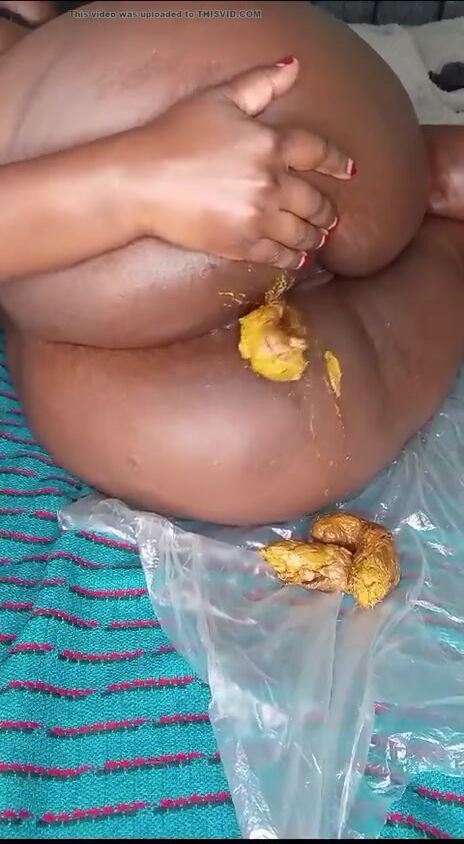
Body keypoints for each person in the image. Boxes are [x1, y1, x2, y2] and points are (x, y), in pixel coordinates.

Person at [2, 0, 464, 525]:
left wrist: (136, 182)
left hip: (168, 117)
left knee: (43, 292)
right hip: (268, 114)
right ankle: (436, 203)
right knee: (255, 437)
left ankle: (425, 184)